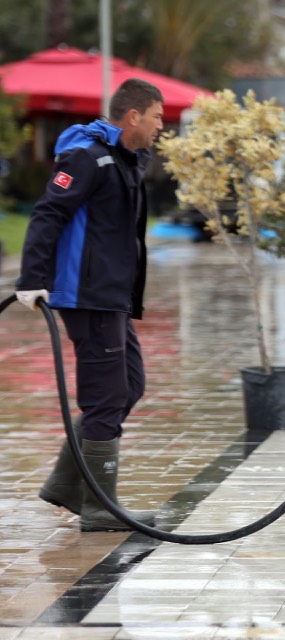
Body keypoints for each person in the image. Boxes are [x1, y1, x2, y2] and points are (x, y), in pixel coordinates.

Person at [14, 79, 165, 532]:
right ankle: (101, 507)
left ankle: (66, 485)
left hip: (111, 297)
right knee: (105, 398)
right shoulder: (88, 157)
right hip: (87, 295)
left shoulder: (122, 159)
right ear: (133, 115)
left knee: (129, 386)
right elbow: (49, 212)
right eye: (156, 117)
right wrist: (32, 280)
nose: (161, 126)